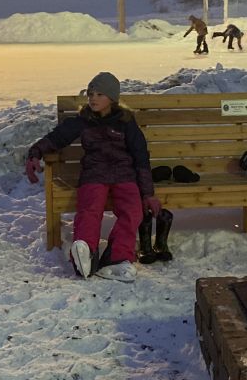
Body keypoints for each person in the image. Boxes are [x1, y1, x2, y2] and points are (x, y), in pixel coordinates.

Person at [24, 72, 161, 283]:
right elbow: (56, 138)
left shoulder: (126, 122)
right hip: (94, 175)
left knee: (133, 210)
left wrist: (148, 193)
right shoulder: (82, 121)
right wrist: (35, 154)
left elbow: (140, 156)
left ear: (112, 98)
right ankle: (85, 250)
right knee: (90, 209)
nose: (93, 99)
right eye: (90, 94)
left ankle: (118, 257)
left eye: (99, 94)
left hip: (125, 175)